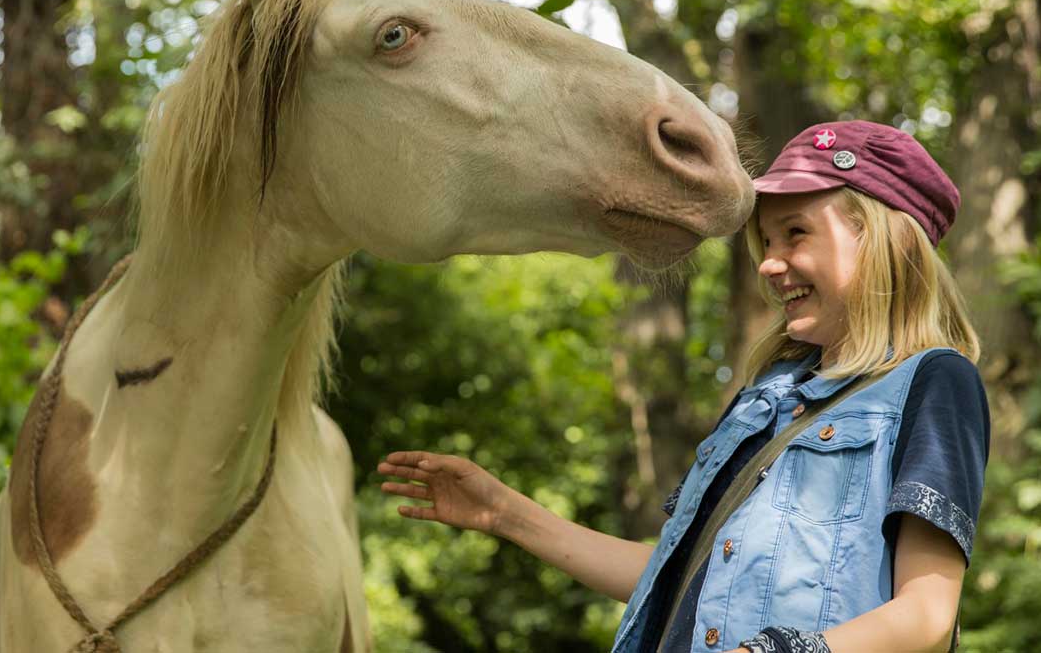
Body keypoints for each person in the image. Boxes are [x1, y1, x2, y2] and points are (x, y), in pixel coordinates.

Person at [378, 120, 989, 653]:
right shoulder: (767, 395)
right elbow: (673, 575)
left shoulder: (935, 381)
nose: (768, 264)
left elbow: (926, 618)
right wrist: (504, 513)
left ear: (884, 239)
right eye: (766, 242)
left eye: (796, 233)